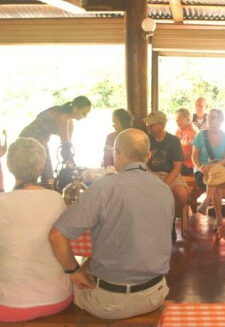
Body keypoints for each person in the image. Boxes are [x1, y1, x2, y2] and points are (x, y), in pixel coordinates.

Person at [49, 129, 173, 320]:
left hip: (111, 301)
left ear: (116, 154)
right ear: (148, 156)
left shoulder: (105, 187)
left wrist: (74, 271)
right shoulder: (164, 189)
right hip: (154, 294)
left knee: (61, 284)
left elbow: (57, 236)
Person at [0, 138, 73, 322]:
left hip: (8, 304)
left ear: (9, 165)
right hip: (58, 298)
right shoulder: (55, 199)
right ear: (41, 166)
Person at [20, 96, 91, 184]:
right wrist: (72, 166)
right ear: (75, 108)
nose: (85, 116)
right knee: (42, 175)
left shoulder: (70, 123)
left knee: (47, 174)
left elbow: (66, 148)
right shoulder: (61, 117)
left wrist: (71, 164)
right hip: (27, 140)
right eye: (83, 113)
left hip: (41, 142)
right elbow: (65, 145)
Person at [143, 110, 188, 240]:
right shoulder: (146, 139)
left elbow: (177, 167)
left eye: (151, 124)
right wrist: (151, 176)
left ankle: (171, 220)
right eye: (148, 124)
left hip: (170, 174)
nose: (148, 127)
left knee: (181, 194)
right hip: (150, 173)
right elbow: (142, 161)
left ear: (161, 125)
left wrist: (163, 185)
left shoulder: (173, 141)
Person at [192, 109, 225, 229]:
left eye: (214, 117)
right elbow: (194, 156)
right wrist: (200, 168)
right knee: (217, 187)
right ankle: (219, 218)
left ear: (221, 120)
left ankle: (206, 203)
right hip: (203, 170)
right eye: (209, 117)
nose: (210, 120)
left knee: (216, 175)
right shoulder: (201, 136)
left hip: (220, 168)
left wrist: (214, 166)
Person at [175, 107, 197, 175]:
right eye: (176, 119)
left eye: (179, 118)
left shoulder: (193, 133)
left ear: (188, 119)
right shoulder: (178, 131)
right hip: (179, 163)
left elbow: (187, 155)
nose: (177, 121)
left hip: (188, 166)